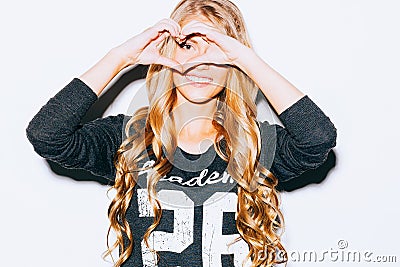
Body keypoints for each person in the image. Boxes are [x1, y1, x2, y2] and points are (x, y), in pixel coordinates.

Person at [26, 0, 337, 266]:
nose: (200, 63)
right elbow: (46, 134)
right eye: (188, 46)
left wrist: (246, 59)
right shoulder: (129, 138)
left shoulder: (255, 143)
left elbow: (318, 138)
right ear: (168, 54)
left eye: (216, 49)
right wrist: (120, 57)